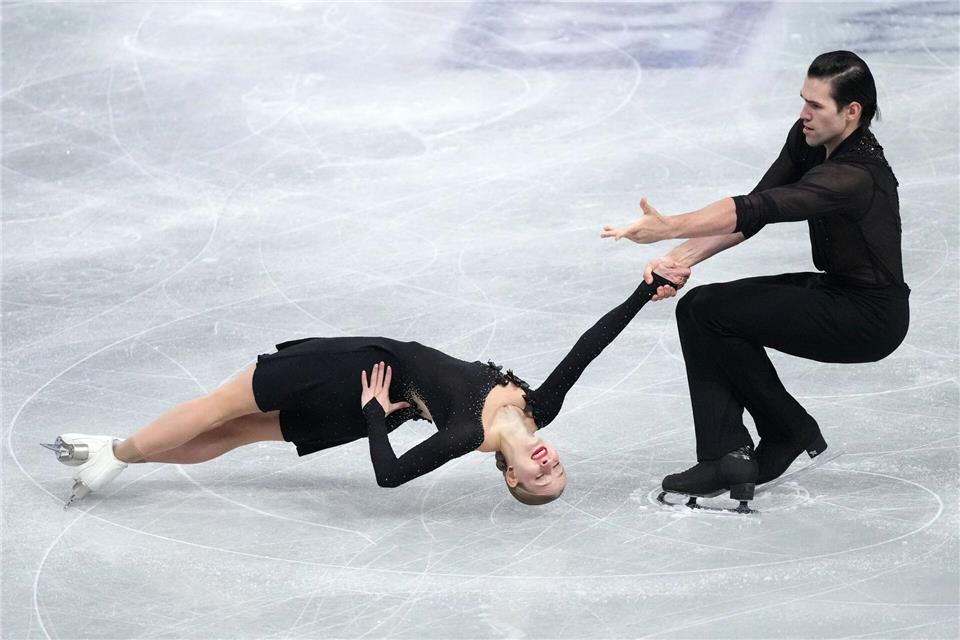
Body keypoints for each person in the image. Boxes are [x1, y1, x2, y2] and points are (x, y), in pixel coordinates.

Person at [45, 273, 679, 508]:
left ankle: (117, 455)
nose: (549, 468)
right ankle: (115, 454)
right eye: (558, 471)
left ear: (512, 476)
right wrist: (642, 293)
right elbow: (590, 347)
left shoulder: (468, 435)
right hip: (373, 401)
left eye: (540, 481)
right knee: (235, 432)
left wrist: (376, 413)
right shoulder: (542, 406)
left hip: (364, 378)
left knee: (225, 411)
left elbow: (389, 478)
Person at [601, 51, 909, 508]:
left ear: (851, 112)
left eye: (816, 106)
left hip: (870, 317)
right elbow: (756, 207)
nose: (804, 114)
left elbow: (756, 208)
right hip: (838, 291)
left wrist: (669, 227)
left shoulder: (855, 176)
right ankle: (727, 455)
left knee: (716, 314)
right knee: (701, 309)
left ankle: (785, 429)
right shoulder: (809, 140)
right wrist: (679, 258)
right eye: (803, 100)